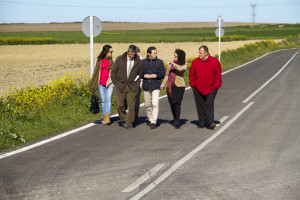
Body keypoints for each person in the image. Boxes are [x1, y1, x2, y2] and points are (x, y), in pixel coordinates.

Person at [189, 45, 222, 129]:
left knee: (209, 104)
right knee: (200, 105)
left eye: (201, 53)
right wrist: (193, 85)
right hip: (198, 88)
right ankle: (202, 122)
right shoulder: (195, 62)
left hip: (211, 88)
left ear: (206, 53)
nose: (199, 54)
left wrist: (217, 86)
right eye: (199, 52)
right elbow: (191, 74)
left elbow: (218, 75)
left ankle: (210, 122)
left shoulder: (214, 61)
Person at [111, 45, 143, 130]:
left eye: (133, 54)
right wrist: (115, 83)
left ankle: (129, 123)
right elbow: (113, 72)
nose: (132, 56)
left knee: (131, 105)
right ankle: (123, 119)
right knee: (119, 105)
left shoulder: (138, 61)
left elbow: (140, 74)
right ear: (128, 52)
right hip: (120, 85)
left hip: (132, 86)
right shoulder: (119, 59)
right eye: (130, 54)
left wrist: (136, 82)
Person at [160, 49, 187, 129]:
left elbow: (180, 69)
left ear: (180, 57)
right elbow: (167, 75)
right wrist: (162, 84)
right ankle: (175, 118)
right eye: (174, 55)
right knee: (172, 103)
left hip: (179, 86)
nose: (174, 57)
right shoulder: (171, 64)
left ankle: (177, 120)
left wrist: (173, 64)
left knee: (177, 103)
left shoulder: (184, 64)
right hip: (170, 86)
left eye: (176, 56)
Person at [88, 44, 114, 125]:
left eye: (112, 51)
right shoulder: (99, 60)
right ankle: (104, 116)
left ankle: (107, 117)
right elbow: (96, 72)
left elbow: (114, 71)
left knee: (108, 99)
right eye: (111, 51)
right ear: (106, 51)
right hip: (100, 83)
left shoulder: (112, 60)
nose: (112, 53)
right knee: (103, 100)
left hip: (109, 83)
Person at [142, 46, 166, 129]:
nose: (155, 54)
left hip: (156, 85)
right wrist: (143, 75)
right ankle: (150, 118)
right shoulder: (143, 62)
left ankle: (153, 121)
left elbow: (163, 73)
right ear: (149, 54)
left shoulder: (160, 62)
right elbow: (139, 73)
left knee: (155, 104)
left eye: (156, 53)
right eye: (154, 53)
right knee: (147, 105)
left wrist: (155, 75)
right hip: (146, 86)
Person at [134, 47, 143, 122]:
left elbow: (143, 68)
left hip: (138, 83)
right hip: (130, 83)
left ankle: (135, 114)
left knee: (137, 99)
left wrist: (140, 58)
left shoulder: (141, 60)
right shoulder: (130, 60)